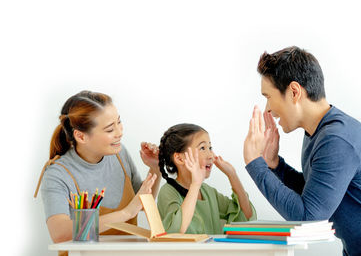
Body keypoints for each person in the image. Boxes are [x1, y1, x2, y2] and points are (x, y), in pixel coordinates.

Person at [243, 46, 361, 255]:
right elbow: (316, 194)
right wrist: (275, 165)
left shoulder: (337, 138)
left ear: (294, 92)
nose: (268, 109)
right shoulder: (318, 133)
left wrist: (255, 164)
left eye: (268, 96)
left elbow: (308, 217)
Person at [34, 90, 161, 247]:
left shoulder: (119, 155)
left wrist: (155, 168)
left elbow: (140, 203)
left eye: (119, 122)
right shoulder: (57, 174)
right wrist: (126, 213)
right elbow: (60, 234)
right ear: (81, 136)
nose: (120, 132)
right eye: (109, 129)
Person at [157, 123, 256, 234]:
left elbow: (246, 217)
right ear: (180, 158)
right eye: (202, 148)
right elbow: (176, 231)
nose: (210, 155)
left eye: (210, 148)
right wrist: (195, 185)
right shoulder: (168, 192)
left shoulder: (208, 192)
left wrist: (232, 175)